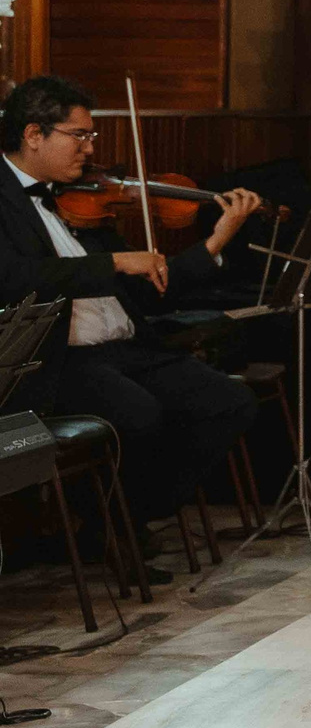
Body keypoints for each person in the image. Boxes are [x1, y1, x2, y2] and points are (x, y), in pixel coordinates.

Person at [0, 75, 263, 542]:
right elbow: (16, 278)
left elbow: (147, 291)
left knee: (228, 402)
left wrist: (217, 240)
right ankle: (109, 525)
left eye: (90, 136)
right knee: (139, 415)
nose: (88, 148)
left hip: (127, 348)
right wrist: (115, 261)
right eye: (78, 135)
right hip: (59, 361)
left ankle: (126, 514)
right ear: (33, 134)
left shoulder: (81, 198)